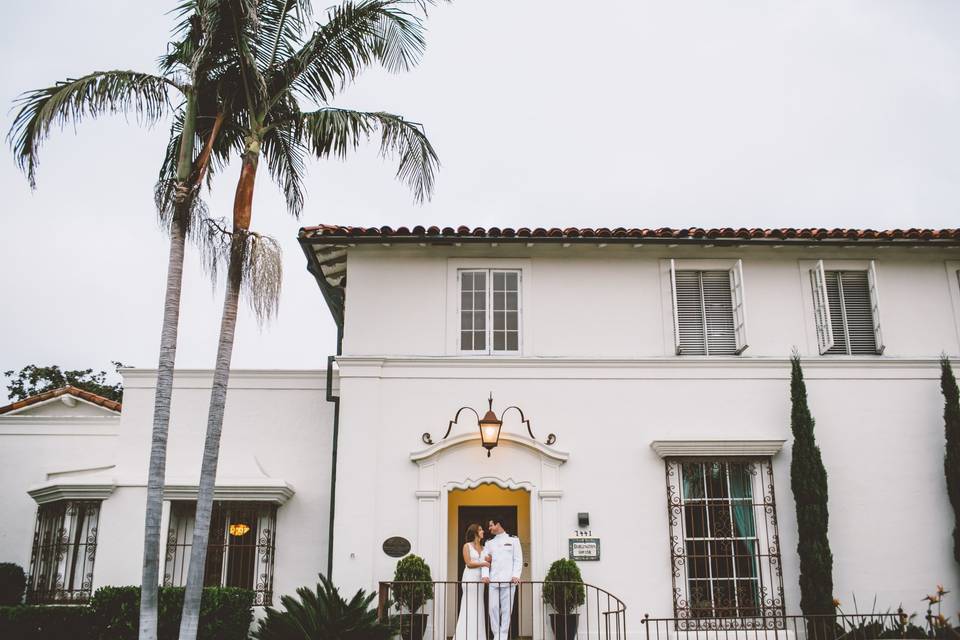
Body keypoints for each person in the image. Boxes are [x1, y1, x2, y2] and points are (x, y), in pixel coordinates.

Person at [481, 516, 523, 640]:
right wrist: (485, 575)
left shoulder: (513, 540)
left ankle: (502, 636)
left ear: (498, 524)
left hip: (509, 581)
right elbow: (485, 560)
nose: (489, 528)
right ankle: (497, 635)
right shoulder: (489, 542)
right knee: (492, 609)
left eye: (491, 525)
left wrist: (516, 575)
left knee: (506, 611)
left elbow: (518, 559)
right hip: (494, 581)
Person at [454, 523, 489, 640]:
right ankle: (464, 636)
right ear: (475, 533)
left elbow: (488, 563)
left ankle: (478, 636)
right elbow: (469, 563)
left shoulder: (484, 548)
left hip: (480, 580)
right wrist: (483, 563)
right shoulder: (466, 546)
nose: (483, 531)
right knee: (469, 604)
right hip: (470, 577)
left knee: (479, 605)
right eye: (480, 530)